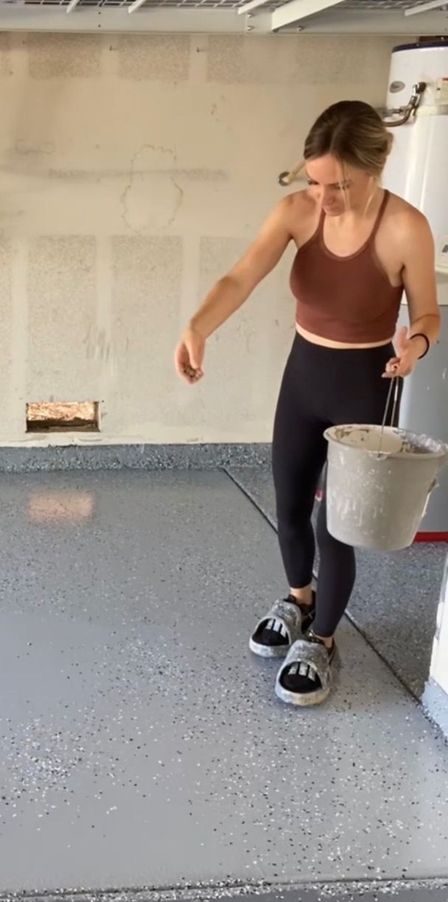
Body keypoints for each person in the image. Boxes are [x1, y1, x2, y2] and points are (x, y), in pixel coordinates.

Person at [174, 100, 441, 707]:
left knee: (334, 525)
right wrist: (198, 327)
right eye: (314, 180)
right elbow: (241, 276)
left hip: (363, 384)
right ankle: (300, 599)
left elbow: (426, 311)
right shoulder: (298, 211)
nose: (323, 196)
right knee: (289, 503)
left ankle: (323, 640)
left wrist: (417, 343)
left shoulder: (406, 228)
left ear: (376, 167)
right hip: (304, 376)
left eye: (338, 184)